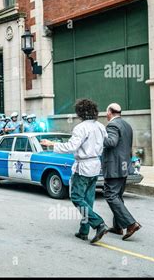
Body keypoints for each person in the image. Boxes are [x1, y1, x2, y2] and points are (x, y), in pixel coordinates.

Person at [41, 98, 108, 244]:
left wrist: (51, 144)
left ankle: (99, 223)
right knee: (88, 199)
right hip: (95, 165)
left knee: (77, 197)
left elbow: (71, 147)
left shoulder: (81, 127)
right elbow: (105, 143)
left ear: (80, 112)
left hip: (83, 166)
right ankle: (84, 231)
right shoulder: (100, 126)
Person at [103, 103, 142, 240]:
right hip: (124, 166)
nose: (105, 114)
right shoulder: (127, 125)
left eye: (106, 112)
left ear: (110, 112)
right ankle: (118, 227)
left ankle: (131, 224)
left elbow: (112, 142)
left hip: (114, 167)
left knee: (110, 195)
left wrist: (100, 136)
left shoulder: (112, 126)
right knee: (117, 196)